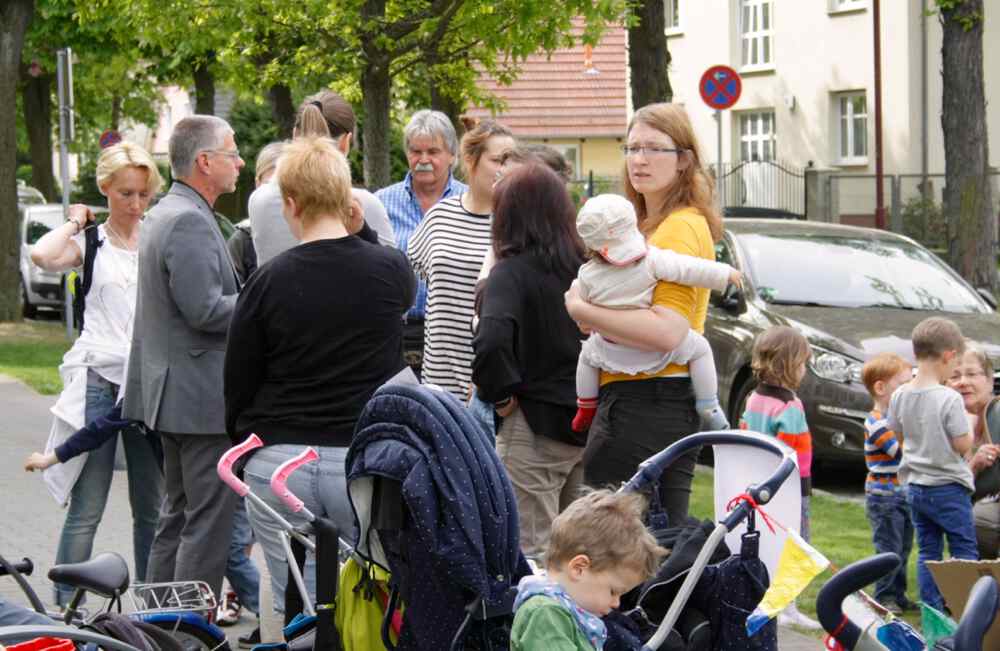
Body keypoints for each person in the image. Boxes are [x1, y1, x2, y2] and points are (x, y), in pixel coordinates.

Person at [224, 137, 415, 618]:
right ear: (347, 200)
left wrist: (249, 448)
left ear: (290, 203)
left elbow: (238, 382)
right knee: (367, 594)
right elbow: (405, 290)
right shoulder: (389, 270)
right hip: (360, 459)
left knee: (295, 599)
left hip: (281, 457)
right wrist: (364, 232)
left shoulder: (267, 282)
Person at [563, 103, 720, 523]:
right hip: (641, 398)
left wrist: (583, 308)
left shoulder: (679, 228)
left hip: (648, 399)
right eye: (632, 148)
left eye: (654, 148)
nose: (640, 159)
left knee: (613, 543)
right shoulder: (642, 228)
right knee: (639, 544)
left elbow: (668, 331)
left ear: (684, 160)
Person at [29, 141, 164, 606]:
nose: (135, 204)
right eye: (126, 193)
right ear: (106, 189)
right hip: (97, 379)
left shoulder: (159, 237)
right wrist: (74, 220)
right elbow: (42, 257)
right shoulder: (91, 242)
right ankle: (66, 605)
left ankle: (150, 605)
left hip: (147, 383)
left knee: (153, 506)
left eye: (143, 194)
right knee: (88, 505)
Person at [123, 115, 244, 600]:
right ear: (205, 161)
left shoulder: (170, 211)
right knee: (206, 522)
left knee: (176, 516)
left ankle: (159, 624)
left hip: (176, 397)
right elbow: (205, 309)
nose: (240, 162)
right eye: (232, 152)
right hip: (198, 402)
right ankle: (189, 628)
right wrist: (263, 301)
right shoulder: (190, 219)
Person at [472, 164, 586, 559]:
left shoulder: (511, 272)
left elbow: (490, 341)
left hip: (533, 428)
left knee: (529, 553)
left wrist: (499, 396)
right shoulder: (585, 269)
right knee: (579, 554)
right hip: (586, 425)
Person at [570, 194, 739, 433]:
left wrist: (582, 315)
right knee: (700, 348)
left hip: (611, 350)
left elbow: (584, 316)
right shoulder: (652, 260)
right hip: (656, 352)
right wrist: (724, 274)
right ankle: (709, 404)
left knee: (586, 356)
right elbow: (689, 269)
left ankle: (585, 405)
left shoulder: (586, 274)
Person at [408, 120, 514, 398]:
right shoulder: (438, 216)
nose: (506, 169)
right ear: (471, 160)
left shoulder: (515, 224)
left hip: (487, 387)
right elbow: (411, 275)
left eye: (510, 160)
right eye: (497, 160)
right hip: (436, 385)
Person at [886, 316, 977, 612]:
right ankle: (969, 612)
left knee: (928, 552)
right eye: (955, 365)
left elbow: (897, 434)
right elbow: (963, 444)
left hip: (916, 487)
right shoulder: (949, 398)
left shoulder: (900, 394)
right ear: (949, 356)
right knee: (964, 551)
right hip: (949, 487)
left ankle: (933, 612)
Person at [249, 90, 395, 266]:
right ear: (346, 142)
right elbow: (392, 272)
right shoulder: (362, 204)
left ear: (296, 134)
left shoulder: (259, 199)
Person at [510, 490, 667, 650]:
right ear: (579, 568)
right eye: (613, 591)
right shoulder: (545, 613)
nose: (616, 604)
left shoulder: (566, 609)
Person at [738, 325, 819, 629]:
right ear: (788, 365)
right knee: (796, 544)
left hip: (761, 484)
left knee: (770, 544)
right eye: (802, 364)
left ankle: (777, 604)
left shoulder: (753, 399)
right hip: (792, 487)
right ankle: (787, 606)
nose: (804, 371)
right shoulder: (790, 405)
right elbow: (794, 451)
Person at [376, 110, 468, 375]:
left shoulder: (471, 203)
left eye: (433, 152)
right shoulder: (382, 203)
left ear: (452, 155)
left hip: (454, 336)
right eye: (416, 151)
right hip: (395, 332)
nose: (423, 160)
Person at [860, 353, 915, 614]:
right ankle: (884, 597)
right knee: (888, 548)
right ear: (880, 388)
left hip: (901, 494)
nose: (909, 389)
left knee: (903, 547)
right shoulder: (877, 423)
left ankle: (898, 594)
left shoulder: (895, 420)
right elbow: (900, 452)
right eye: (903, 384)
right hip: (884, 497)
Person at [947, 344, 1000, 559]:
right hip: (969, 506)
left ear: (989, 380)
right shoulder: (950, 424)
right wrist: (975, 464)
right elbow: (950, 488)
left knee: (979, 518)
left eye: (971, 374)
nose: (963, 382)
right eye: (954, 376)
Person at [228, 142, 285, 283]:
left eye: (283, 186)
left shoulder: (310, 234)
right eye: (269, 186)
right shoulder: (241, 241)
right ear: (257, 184)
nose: (276, 194)